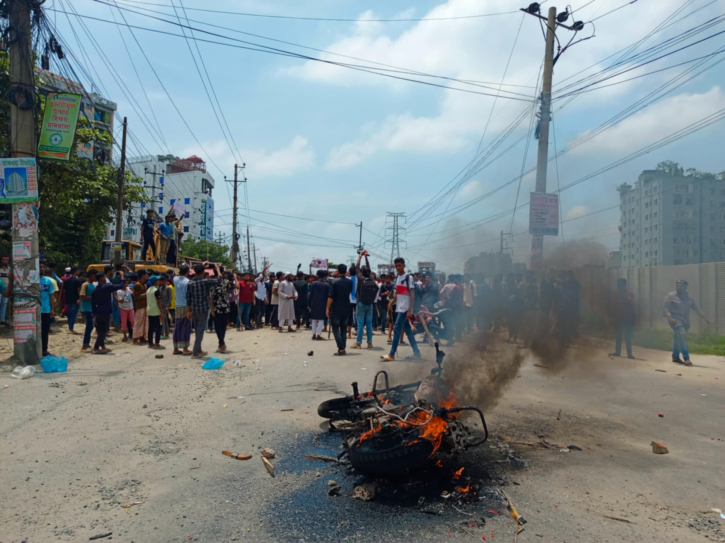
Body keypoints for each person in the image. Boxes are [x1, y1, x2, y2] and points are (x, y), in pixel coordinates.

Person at [380, 257, 421, 362]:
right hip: (399, 307)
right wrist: (392, 303)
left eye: (400, 265)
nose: (398, 267)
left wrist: (409, 309)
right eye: (396, 266)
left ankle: (391, 354)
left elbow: (412, 294)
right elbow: (399, 293)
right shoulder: (398, 278)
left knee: (397, 329)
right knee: (407, 330)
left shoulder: (408, 278)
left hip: (405, 308)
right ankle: (416, 352)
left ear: (404, 265)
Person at [663, 279, 709, 367]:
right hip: (675, 320)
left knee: (678, 337)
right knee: (682, 336)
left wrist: (704, 317)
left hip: (685, 321)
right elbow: (665, 308)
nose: (678, 287)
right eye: (677, 285)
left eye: (680, 286)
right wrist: (670, 317)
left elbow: (695, 308)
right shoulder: (671, 296)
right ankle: (686, 358)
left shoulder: (688, 297)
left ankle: (675, 357)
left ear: (685, 287)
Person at [187, 262, 220, 358]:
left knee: (198, 330)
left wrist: (189, 311)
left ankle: (199, 350)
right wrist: (217, 269)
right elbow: (220, 280)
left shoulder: (190, 282)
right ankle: (195, 352)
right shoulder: (206, 281)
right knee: (200, 331)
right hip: (204, 309)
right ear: (203, 272)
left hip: (194, 309)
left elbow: (188, 298)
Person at [91, 273, 125, 354]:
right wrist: (122, 276)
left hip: (98, 312)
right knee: (103, 331)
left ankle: (103, 347)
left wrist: (94, 315)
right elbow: (121, 285)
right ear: (102, 278)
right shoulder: (107, 287)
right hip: (105, 312)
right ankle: (95, 348)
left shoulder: (94, 291)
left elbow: (93, 305)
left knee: (100, 331)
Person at [352, 251, 377, 349]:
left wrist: (360, 256)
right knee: (369, 324)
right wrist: (366, 257)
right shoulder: (371, 277)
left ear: (362, 271)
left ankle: (358, 343)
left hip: (361, 303)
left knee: (361, 324)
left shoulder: (361, 277)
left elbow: (357, 266)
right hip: (370, 303)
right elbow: (368, 267)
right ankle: (369, 343)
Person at [326, 263, 353, 355]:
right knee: (344, 328)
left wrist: (327, 308)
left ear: (337, 271)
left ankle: (341, 347)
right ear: (346, 271)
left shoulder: (334, 282)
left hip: (336, 307)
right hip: (346, 306)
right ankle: (343, 348)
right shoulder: (350, 282)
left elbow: (331, 296)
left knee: (335, 328)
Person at [610, 278, 636, 359]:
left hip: (627, 318)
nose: (619, 286)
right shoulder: (616, 293)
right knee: (618, 336)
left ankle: (629, 354)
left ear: (624, 285)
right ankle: (618, 352)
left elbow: (630, 303)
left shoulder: (629, 293)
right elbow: (614, 305)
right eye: (618, 284)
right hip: (618, 317)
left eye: (620, 284)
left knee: (627, 336)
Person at [210, 270, 232, 353]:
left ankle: (221, 343)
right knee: (223, 326)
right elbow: (237, 286)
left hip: (217, 307)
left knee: (218, 326)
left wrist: (212, 309)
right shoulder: (226, 282)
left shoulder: (213, 283)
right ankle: (222, 343)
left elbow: (211, 297)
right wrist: (235, 277)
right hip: (225, 307)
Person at [172, 264, 192, 356]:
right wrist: (190, 309)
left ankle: (175, 348)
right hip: (186, 305)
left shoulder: (175, 279)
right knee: (186, 327)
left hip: (178, 305)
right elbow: (189, 296)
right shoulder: (188, 282)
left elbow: (175, 275)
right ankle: (185, 348)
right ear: (188, 272)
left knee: (177, 326)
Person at [40, 263, 58, 357]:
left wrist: (52, 309)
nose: (42, 268)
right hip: (35, 310)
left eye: (43, 267)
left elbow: (51, 295)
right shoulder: (31, 280)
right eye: (40, 267)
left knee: (45, 331)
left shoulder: (48, 281)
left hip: (46, 309)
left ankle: (44, 350)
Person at [309, 270, 331, 340]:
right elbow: (329, 296)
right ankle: (318, 335)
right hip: (323, 303)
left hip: (314, 303)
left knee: (314, 319)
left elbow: (310, 295)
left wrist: (308, 303)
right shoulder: (327, 284)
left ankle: (313, 334)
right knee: (321, 319)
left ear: (317, 275)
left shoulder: (313, 283)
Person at [63, 266, 83, 335]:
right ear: (75, 271)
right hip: (75, 299)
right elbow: (78, 290)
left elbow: (64, 290)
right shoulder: (77, 280)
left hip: (68, 298)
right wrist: (80, 298)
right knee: (73, 313)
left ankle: (70, 326)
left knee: (69, 313)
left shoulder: (66, 280)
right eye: (78, 271)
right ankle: (71, 328)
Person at [80, 271, 96, 352]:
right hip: (87, 308)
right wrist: (92, 298)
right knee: (89, 325)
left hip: (91, 308)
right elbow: (82, 296)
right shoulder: (85, 284)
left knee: (91, 325)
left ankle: (87, 343)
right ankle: (85, 344)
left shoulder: (92, 285)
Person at [146, 276, 164, 350]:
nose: (159, 281)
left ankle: (150, 343)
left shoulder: (148, 290)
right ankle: (157, 343)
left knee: (151, 327)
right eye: (158, 280)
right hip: (156, 311)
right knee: (158, 327)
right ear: (155, 282)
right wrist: (161, 312)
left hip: (150, 310)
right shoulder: (156, 290)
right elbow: (158, 301)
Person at [133, 269, 149, 345]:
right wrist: (147, 293)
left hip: (145, 305)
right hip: (139, 306)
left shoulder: (144, 284)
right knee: (138, 322)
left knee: (144, 323)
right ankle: (135, 338)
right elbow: (137, 296)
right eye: (146, 274)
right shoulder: (137, 284)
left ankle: (142, 337)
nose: (147, 276)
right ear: (143, 275)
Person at [254, 263, 272, 328]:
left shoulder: (264, 283)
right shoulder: (256, 281)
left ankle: (260, 323)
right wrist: (264, 269)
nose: (262, 277)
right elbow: (260, 276)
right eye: (261, 276)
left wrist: (266, 299)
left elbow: (265, 292)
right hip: (257, 297)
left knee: (262, 312)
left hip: (262, 298)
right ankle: (257, 323)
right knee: (257, 311)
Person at [0, 254, 9, 325]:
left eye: (7, 260)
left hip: (6, 289)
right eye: (4, 260)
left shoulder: (10, 269)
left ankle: (2, 320)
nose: (5, 261)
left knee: (4, 304)